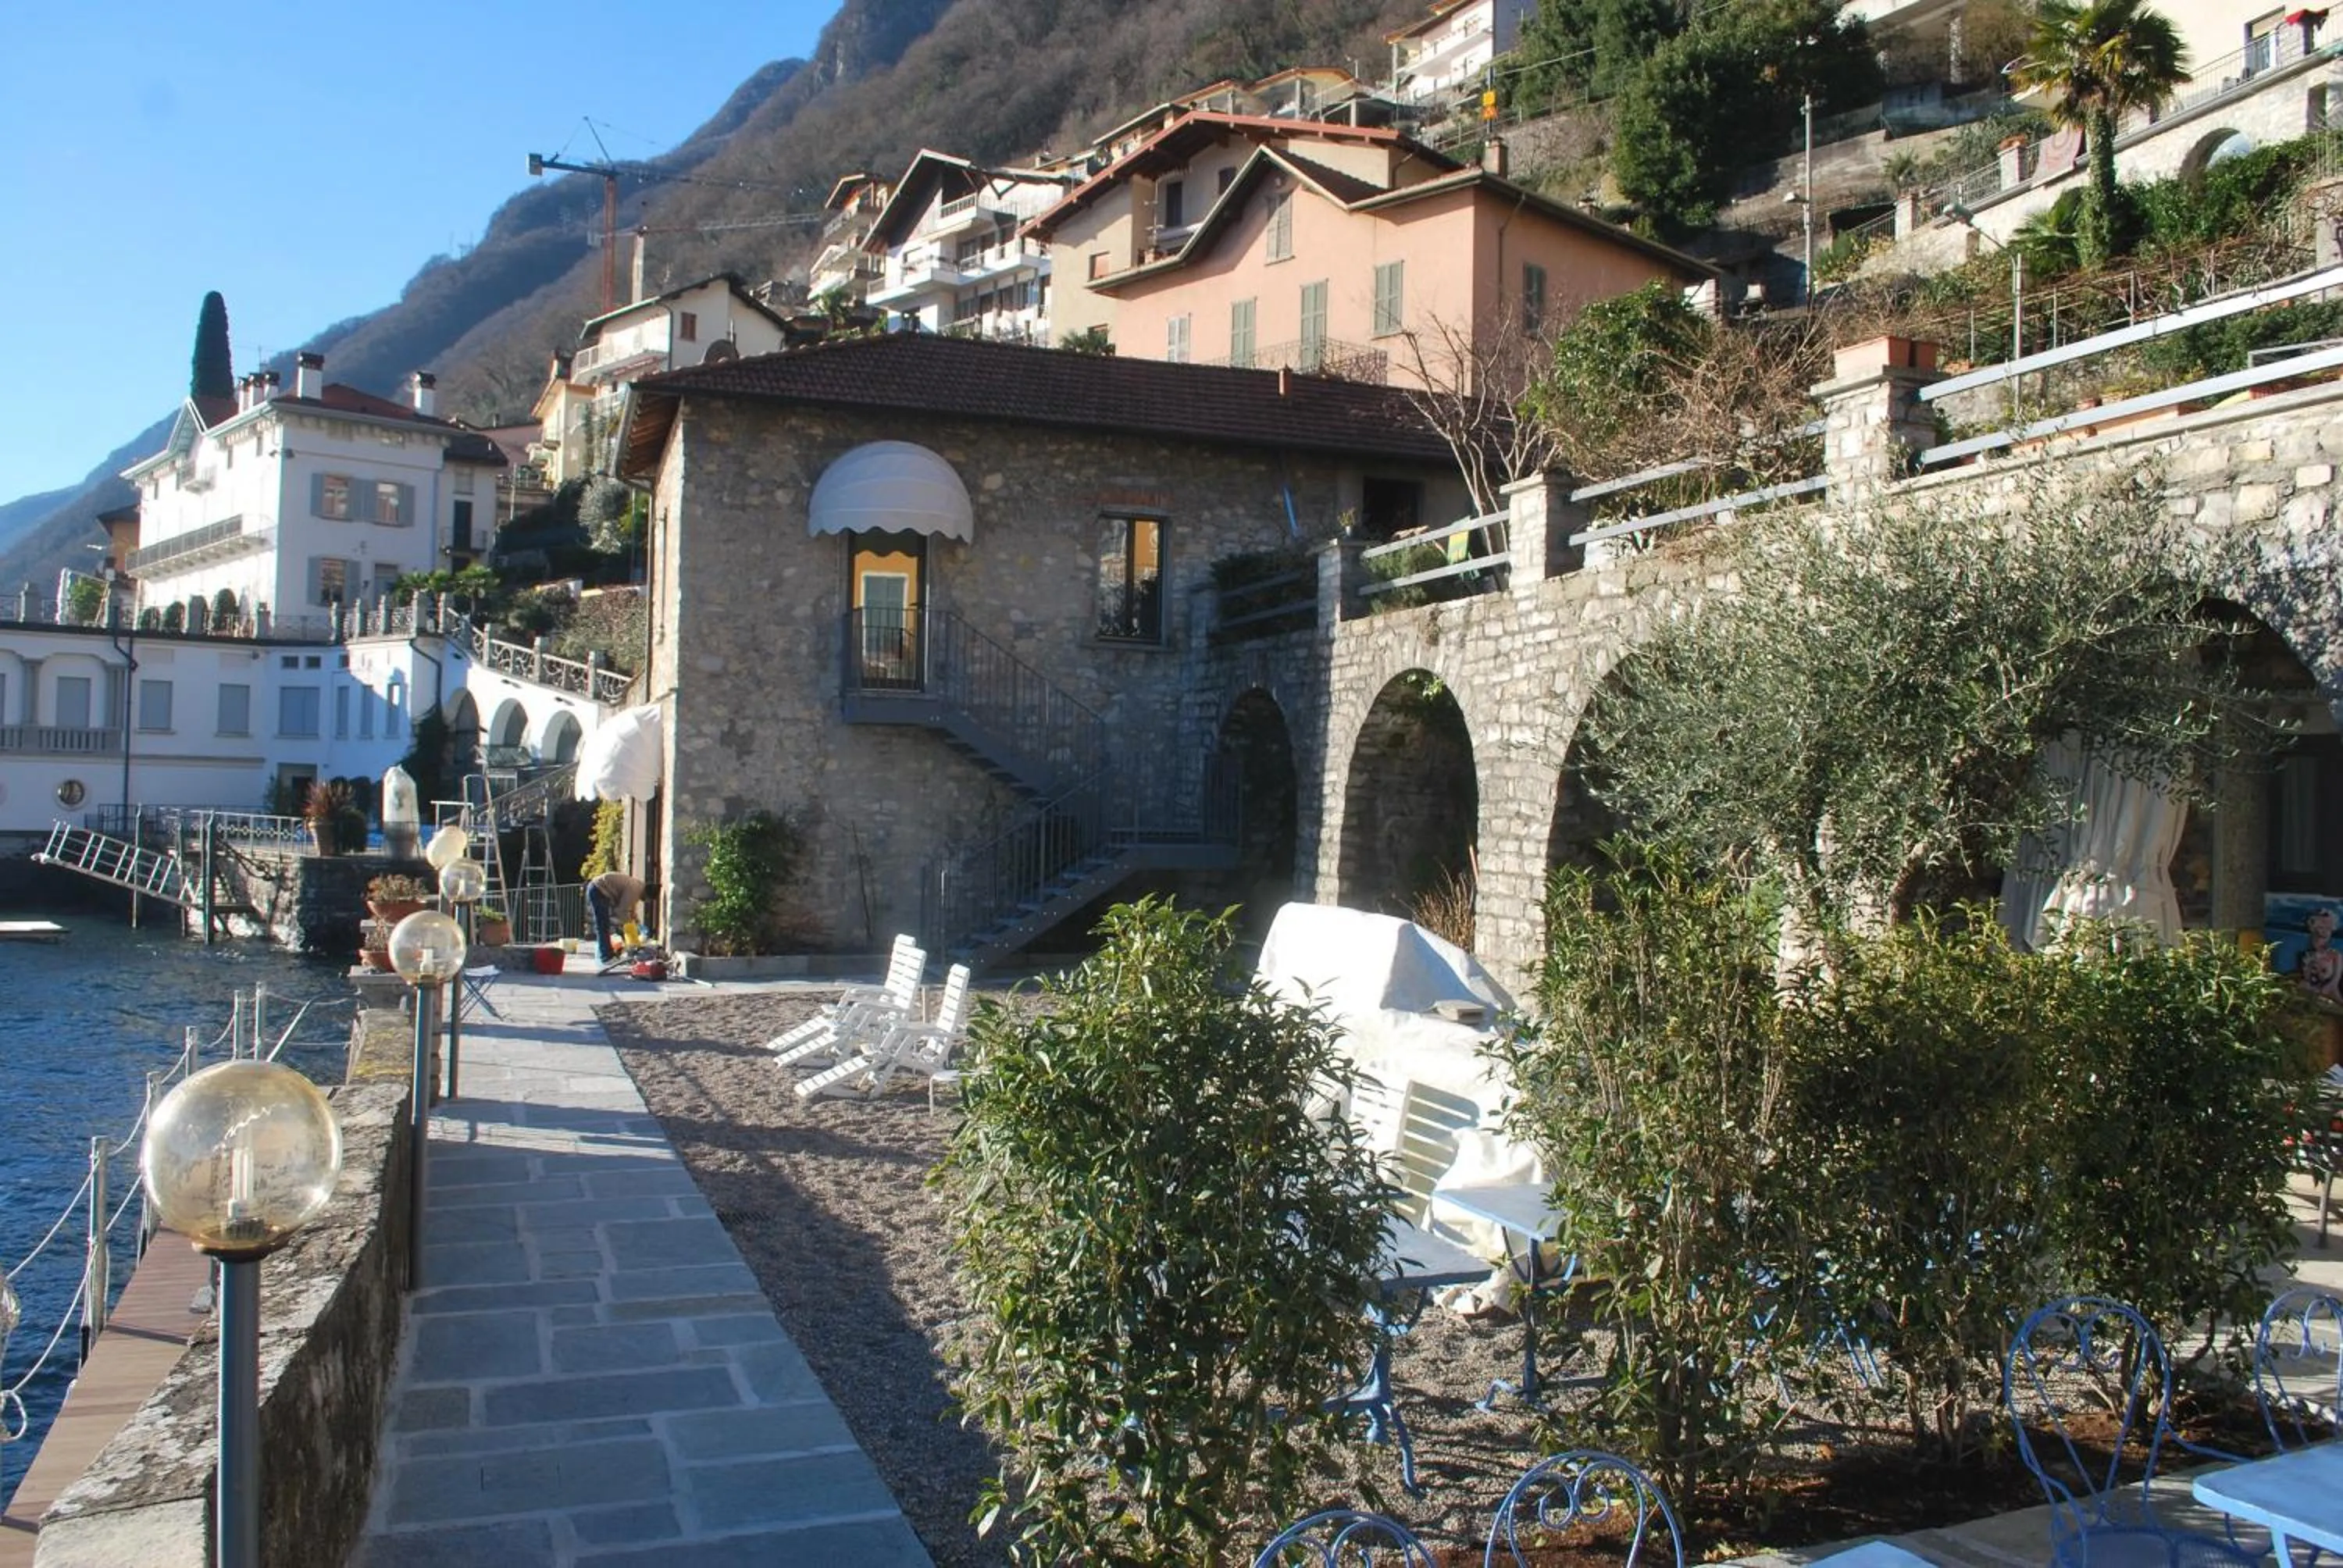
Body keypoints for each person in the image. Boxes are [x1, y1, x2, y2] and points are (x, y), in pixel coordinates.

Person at [587, 870, 647, 961]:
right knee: (602, 925)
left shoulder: (638, 887)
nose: (644, 901)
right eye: (647, 900)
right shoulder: (635, 889)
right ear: (648, 895)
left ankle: (608, 954)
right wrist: (631, 927)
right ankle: (606, 957)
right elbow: (621, 911)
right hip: (598, 889)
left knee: (607, 925)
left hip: (600, 890)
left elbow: (630, 910)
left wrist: (637, 923)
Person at [2300, 905, 2342, 1003]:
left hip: (2330, 991)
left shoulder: (2335, 955)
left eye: (2328, 928)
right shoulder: (2307, 956)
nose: (2324, 932)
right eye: (2321, 927)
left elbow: (2334, 982)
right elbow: (2307, 977)